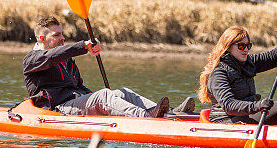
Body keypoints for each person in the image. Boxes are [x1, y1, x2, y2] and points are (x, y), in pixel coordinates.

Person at [23, 16, 194, 118]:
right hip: (57, 109)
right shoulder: (32, 60)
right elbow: (52, 56)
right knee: (104, 95)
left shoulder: (67, 61)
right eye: (56, 35)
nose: (62, 38)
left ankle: (169, 113)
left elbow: (79, 87)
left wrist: (110, 99)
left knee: (122, 92)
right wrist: (83, 46)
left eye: (62, 34)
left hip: (75, 102)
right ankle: (145, 117)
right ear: (42, 38)